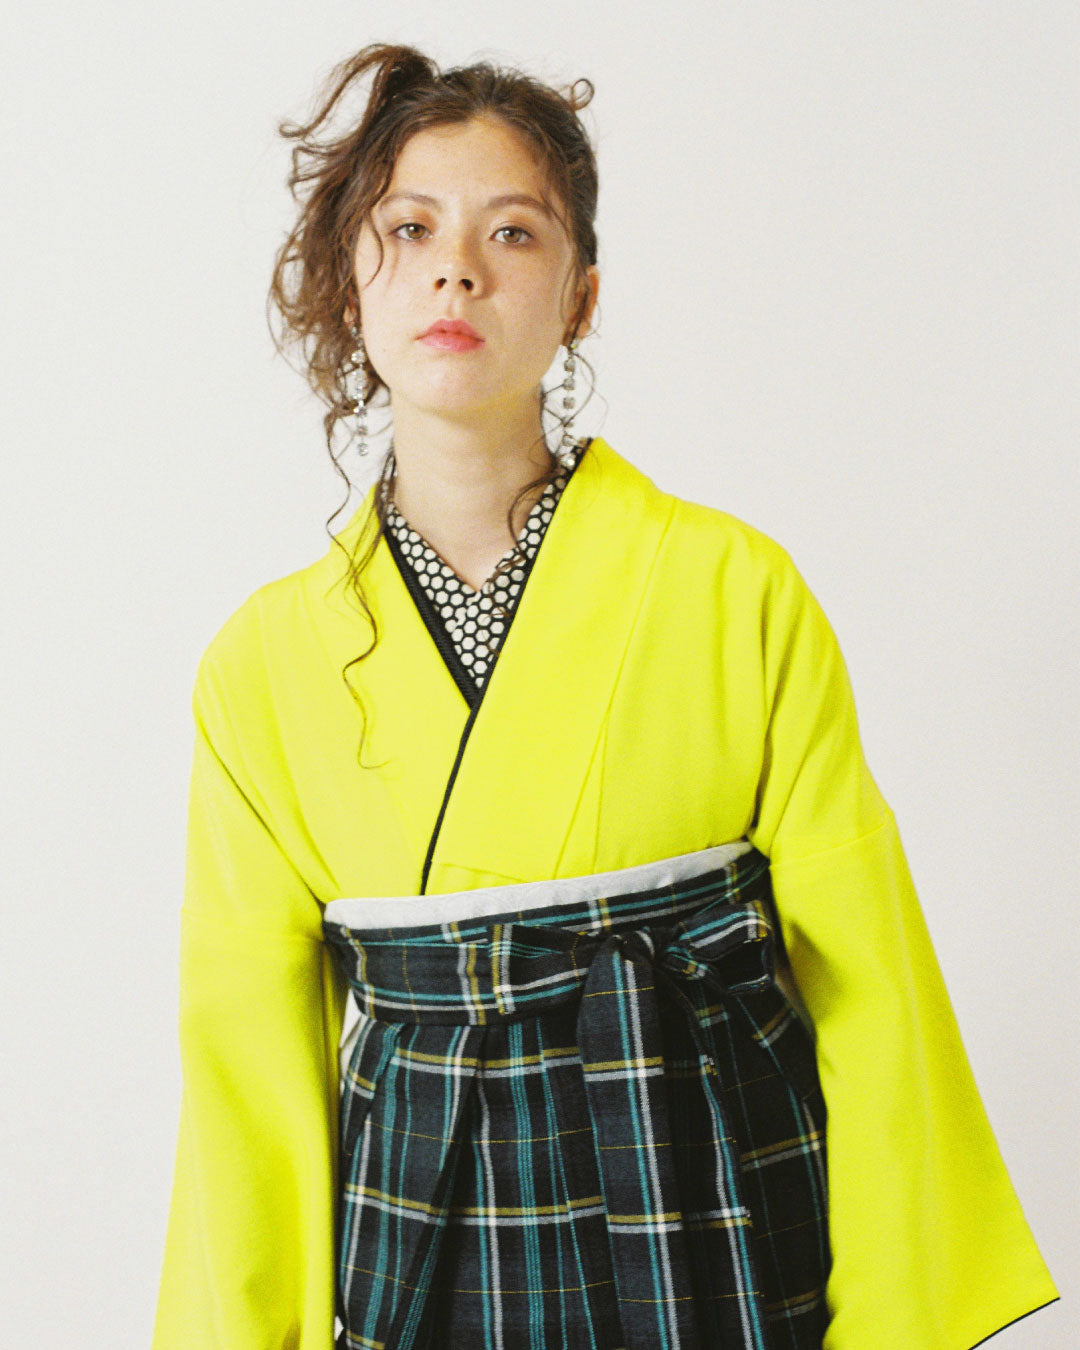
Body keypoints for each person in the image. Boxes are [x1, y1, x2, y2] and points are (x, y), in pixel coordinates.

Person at [151, 42, 1059, 1350]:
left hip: (711, 1200)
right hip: (425, 1239)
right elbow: (243, 1069)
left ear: (580, 296)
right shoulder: (259, 665)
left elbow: (873, 987)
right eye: (411, 229)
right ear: (355, 282)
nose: (458, 270)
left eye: (512, 232)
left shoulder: (734, 590)